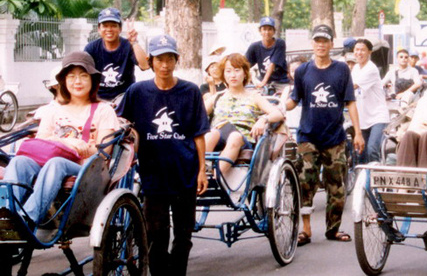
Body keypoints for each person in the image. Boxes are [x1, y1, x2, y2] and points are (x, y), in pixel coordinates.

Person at [117, 34, 209, 276]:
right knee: (156, 233)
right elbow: (121, 122)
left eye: (170, 59)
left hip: (185, 172)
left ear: (177, 60)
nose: (165, 65)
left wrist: (202, 170)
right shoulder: (137, 92)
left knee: (183, 235)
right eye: (159, 59)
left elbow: (199, 134)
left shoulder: (190, 91)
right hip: (152, 173)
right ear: (150, 61)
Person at [3, 52, 119, 225]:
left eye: (83, 76)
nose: (77, 81)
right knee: (19, 161)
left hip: (85, 169)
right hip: (46, 162)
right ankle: (6, 215)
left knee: (56, 163)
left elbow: (103, 152)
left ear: (92, 80)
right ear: (63, 81)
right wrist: (67, 142)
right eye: (71, 76)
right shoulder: (53, 108)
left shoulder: (103, 110)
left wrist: (80, 148)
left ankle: (27, 219)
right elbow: (42, 139)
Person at [286, 24, 363, 247]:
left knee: (336, 187)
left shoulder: (341, 70)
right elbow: (294, 99)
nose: (320, 45)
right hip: (308, 136)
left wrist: (357, 133)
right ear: (312, 43)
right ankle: (306, 230)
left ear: (331, 44)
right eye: (317, 41)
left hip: (335, 137)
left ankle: (333, 229)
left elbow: (350, 102)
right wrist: (284, 106)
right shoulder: (302, 71)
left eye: (325, 41)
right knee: (306, 183)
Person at [204, 53, 284, 174]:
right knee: (212, 133)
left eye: (237, 70)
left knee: (234, 136)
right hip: (218, 137)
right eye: (228, 71)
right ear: (223, 74)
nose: (233, 75)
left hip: (242, 139)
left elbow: (278, 114)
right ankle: (202, 170)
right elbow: (196, 114)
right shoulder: (218, 97)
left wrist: (263, 120)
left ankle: (216, 179)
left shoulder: (254, 96)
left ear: (245, 73)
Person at [84, 8, 149, 102]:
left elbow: (145, 65)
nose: (109, 30)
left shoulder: (128, 46)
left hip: (124, 97)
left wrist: (134, 42)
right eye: (105, 26)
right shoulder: (91, 48)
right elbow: (84, 73)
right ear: (99, 29)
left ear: (120, 29)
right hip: (98, 98)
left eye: (113, 26)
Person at [352, 38, 390, 164]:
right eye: (357, 50)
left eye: (362, 50)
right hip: (363, 117)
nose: (359, 53)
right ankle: (361, 181)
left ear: (369, 52)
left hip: (378, 117)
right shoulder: (356, 68)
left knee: (372, 149)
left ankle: (376, 180)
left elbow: (352, 86)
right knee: (360, 152)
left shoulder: (371, 68)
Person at [245, 16, 289, 92]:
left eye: (270, 29)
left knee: (284, 99)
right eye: (264, 29)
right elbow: (244, 64)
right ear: (260, 31)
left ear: (274, 31)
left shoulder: (279, 43)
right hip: (262, 81)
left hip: (280, 82)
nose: (267, 32)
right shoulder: (254, 46)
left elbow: (272, 64)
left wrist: (263, 82)